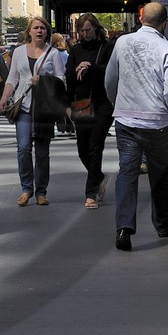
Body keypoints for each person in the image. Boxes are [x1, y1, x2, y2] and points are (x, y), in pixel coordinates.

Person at [104, 2, 168, 250]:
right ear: (165, 22)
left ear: (140, 19)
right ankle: (164, 223)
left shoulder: (122, 42)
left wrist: (116, 101)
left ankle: (123, 228)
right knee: (160, 173)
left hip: (126, 119)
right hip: (157, 120)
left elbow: (110, 78)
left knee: (127, 173)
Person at [0, 16, 66, 207]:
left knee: (42, 152)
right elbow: (12, 77)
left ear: (47, 32)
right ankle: (26, 188)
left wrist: (43, 80)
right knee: (24, 148)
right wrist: (3, 99)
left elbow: (61, 80)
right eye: (36, 28)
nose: (39, 31)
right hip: (24, 106)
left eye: (43, 28)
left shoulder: (53, 53)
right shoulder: (18, 52)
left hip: (44, 109)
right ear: (29, 31)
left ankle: (41, 192)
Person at [63, 14, 112, 208]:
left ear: (96, 29)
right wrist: (67, 105)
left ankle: (90, 194)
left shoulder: (107, 47)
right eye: (82, 30)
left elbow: (113, 71)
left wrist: (92, 67)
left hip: (103, 102)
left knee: (94, 146)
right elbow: (69, 78)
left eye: (88, 30)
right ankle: (98, 177)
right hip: (81, 102)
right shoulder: (76, 50)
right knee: (82, 148)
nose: (85, 34)